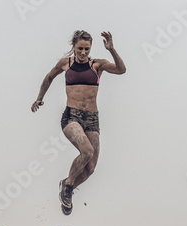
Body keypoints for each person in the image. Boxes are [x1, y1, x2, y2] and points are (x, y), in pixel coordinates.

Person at [31, 30, 126, 215]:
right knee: (87, 151)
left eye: (87, 49)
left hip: (92, 118)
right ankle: (67, 189)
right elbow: (49, 77)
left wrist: (112, 50)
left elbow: (122, 70)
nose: (83, 53)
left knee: (90, 168)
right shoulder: (65, 64)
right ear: (74, 46)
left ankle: (67, 185)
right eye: (80, 48)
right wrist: (39, 98)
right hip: (71, 117)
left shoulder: (97, 64)